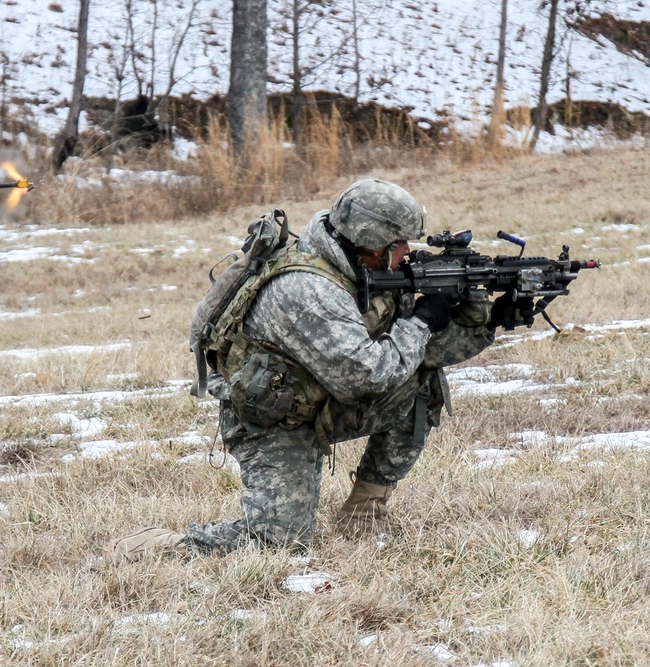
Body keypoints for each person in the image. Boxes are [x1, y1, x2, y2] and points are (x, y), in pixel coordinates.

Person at [109, 178, 533, 562]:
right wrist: (420, 320)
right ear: (371, 242)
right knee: (280, 543)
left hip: (324, 400)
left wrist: (489, 322)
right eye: (400, 243)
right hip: (274, 420)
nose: (408, 253)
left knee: (421, 379)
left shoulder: (363, 270)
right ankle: (159, 546)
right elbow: (368, 374)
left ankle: (364, 513)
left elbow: (423, 353)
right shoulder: (307, 290)